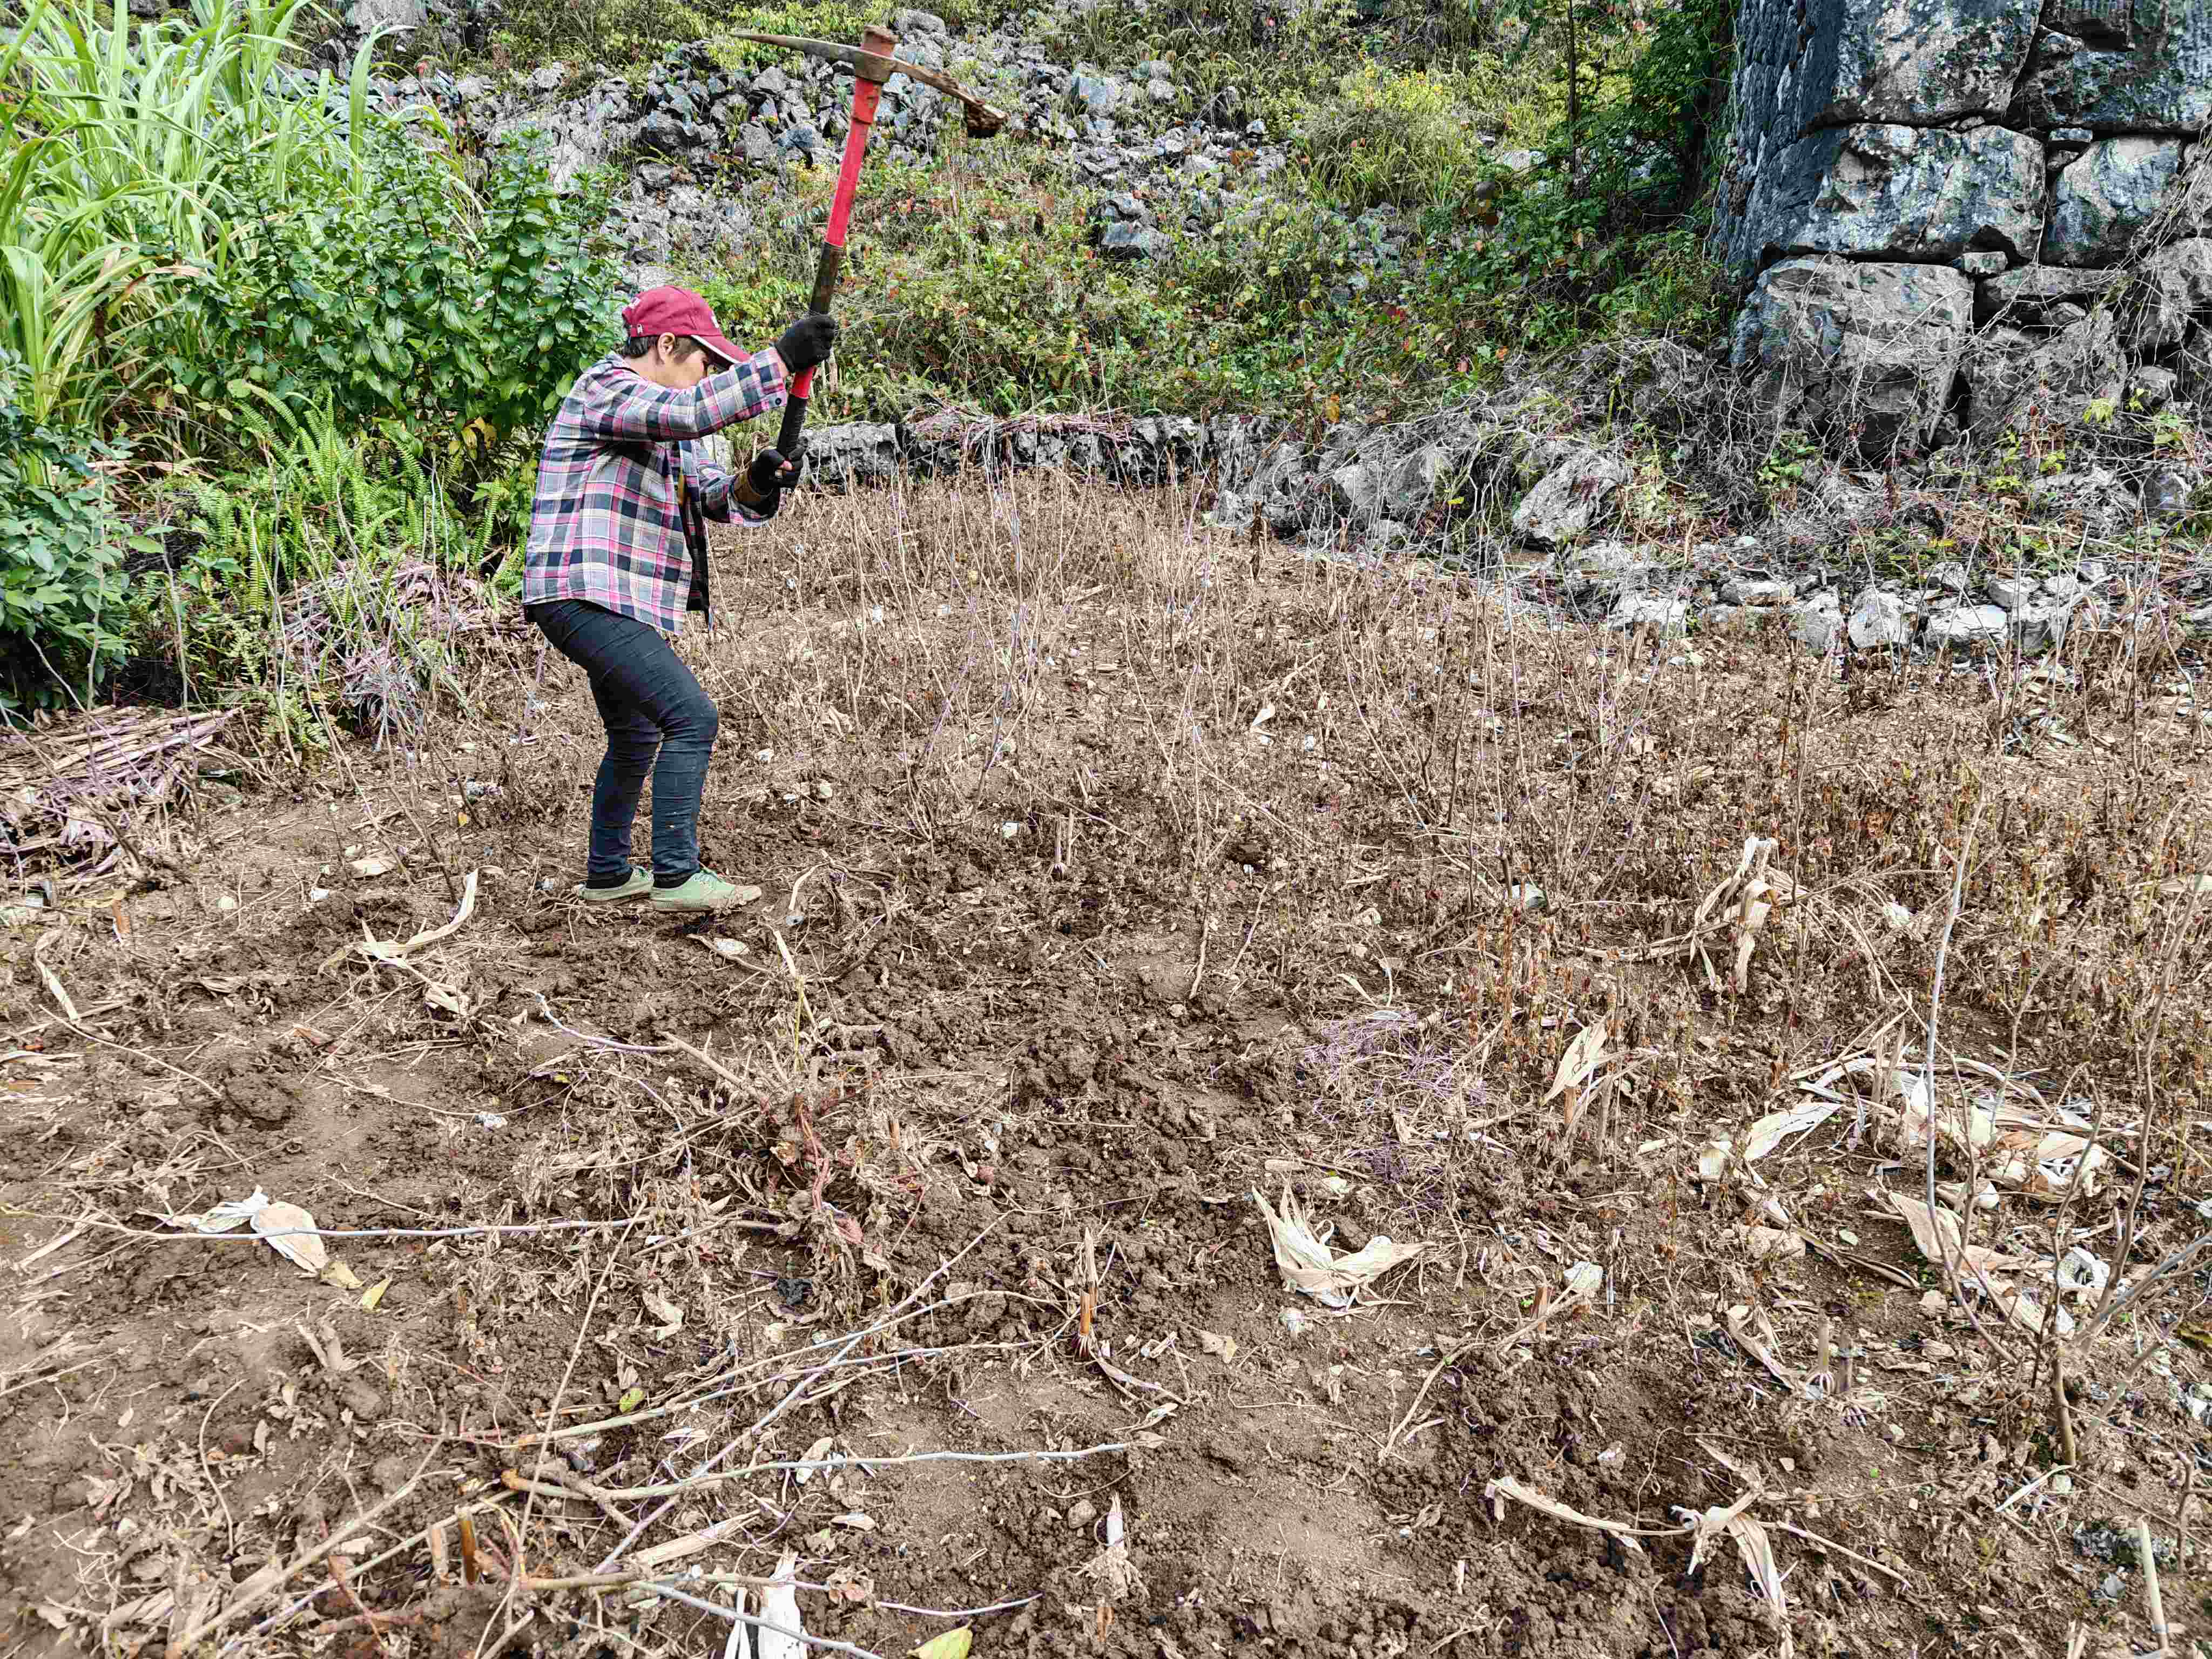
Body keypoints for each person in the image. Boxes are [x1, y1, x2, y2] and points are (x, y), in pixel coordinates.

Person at [523, 286, 837, 912]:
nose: (710, 374)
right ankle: (676, 876)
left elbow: (715, 497)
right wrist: (781, 360)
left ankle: (609, 874)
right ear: (666, 345)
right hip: (579, 593)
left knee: (636, 735)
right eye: (705, 361)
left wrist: (760, 481)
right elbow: (694, 411)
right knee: (692, 717)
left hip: (614, 602)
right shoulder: (607, 389)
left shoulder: (668, 425)